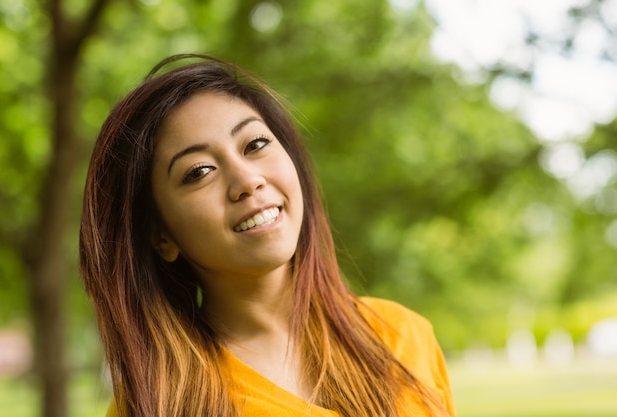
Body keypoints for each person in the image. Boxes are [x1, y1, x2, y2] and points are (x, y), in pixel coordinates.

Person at [79, 54, 456, 417]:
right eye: (199, 172)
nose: (246, 180)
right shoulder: (156, 403)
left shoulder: (404, 337)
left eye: (255, 145)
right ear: (161, 236)